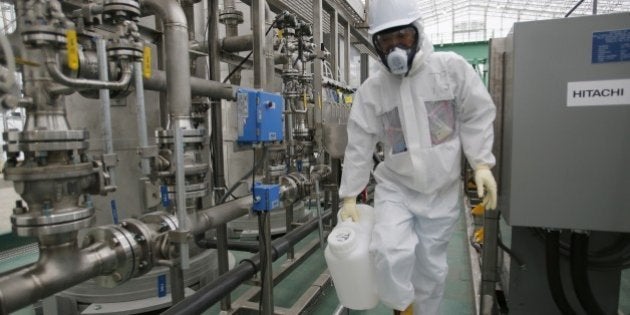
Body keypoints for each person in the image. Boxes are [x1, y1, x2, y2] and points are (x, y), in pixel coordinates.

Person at [337, 0, 498, 314]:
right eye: (387, 41)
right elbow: (359, 142)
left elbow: (476, 113)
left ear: (418, 33)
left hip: (441, 190)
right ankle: (403, 308)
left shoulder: (450, 69)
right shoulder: (374, 90)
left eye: (403, 38)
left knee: (431, 268)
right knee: (388, 251)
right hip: (397, 187)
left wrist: (481, 162)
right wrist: (349, 195)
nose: (396, 49)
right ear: (377, 45)